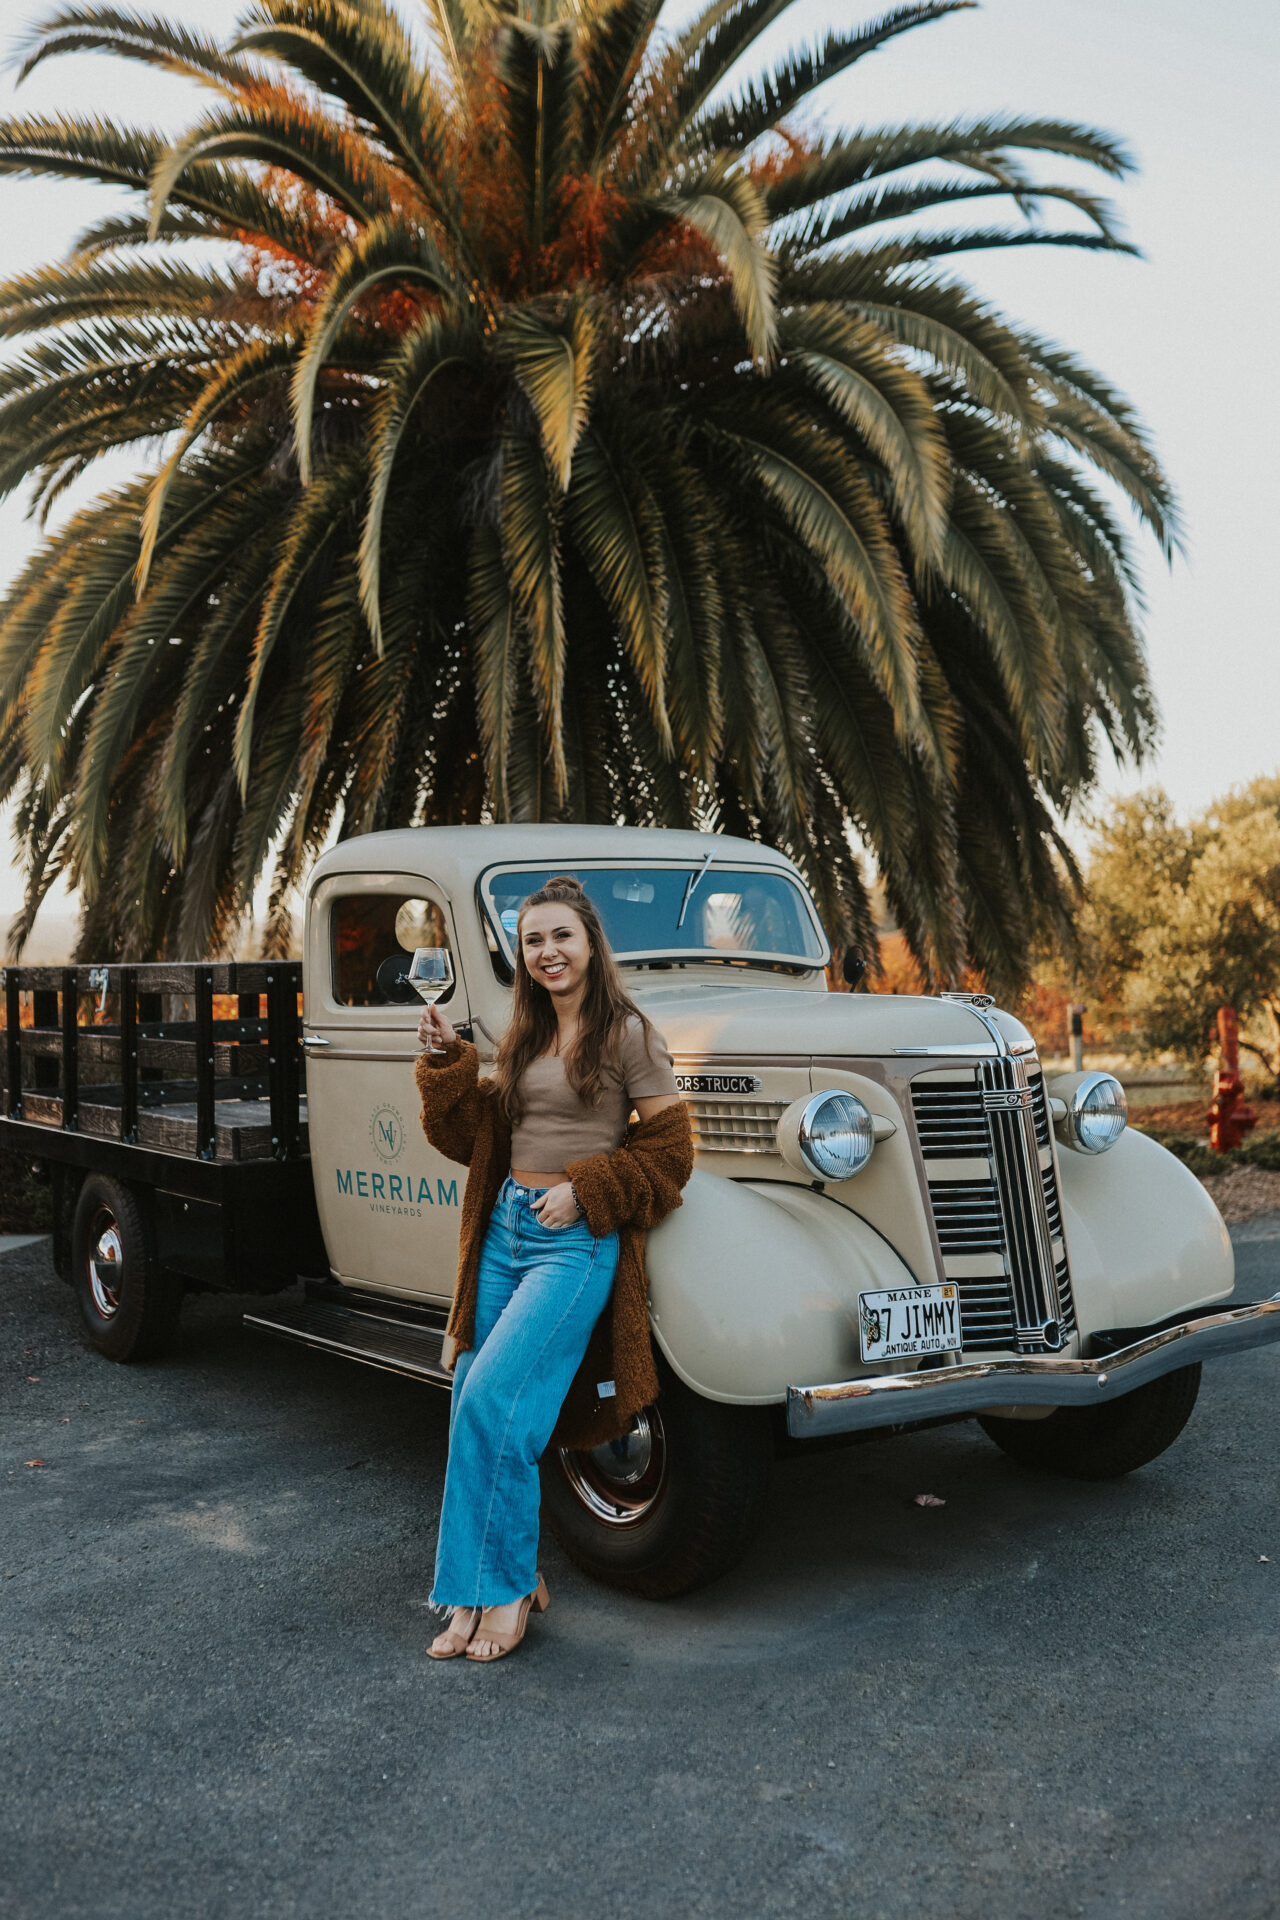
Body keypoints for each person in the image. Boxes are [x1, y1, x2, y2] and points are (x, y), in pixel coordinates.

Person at [414, 875, 693, 1663]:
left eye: (560, 936)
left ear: (590, 942)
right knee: (471, 1395)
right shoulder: (526, 1033)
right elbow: (475, 1139)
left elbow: (674, 1155)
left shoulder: (629, 1034)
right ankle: (478, 1590)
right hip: (503, 1232)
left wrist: (587, 1190)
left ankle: (503, 1593)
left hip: (571, 1244)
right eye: (533, 940)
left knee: (500, 1400)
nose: (546, 953)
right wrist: (447, 1065)